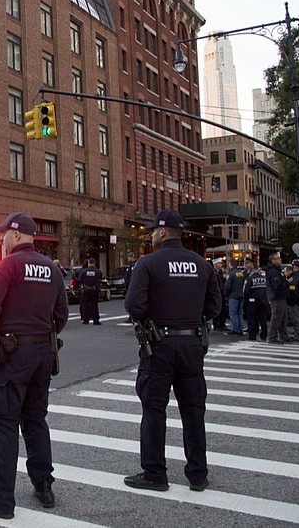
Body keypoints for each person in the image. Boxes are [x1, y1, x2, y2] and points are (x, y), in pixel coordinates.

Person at [0, 212, 69, 519]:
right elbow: (62, 315)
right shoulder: (51, 268)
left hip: (11, 356)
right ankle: (43, 485)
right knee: (36, 419)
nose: (1, 238)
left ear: (15, 235)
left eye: (4, 234)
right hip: (42, 355)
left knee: (2, 423)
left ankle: (1, 499)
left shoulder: (8, 265)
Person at [123, 210, 220, 493]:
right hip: (192, 344)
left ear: (163, 232)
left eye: (153, 230)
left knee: (154, 408)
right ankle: (198, 474)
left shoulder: (148, 264)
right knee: (193, 410)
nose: (151, 234)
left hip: (159, 345)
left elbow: (133, 305)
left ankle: (155, 472)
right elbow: (214, 306)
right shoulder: (202, 265)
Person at [265, 252, 289, 345]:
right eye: (278, 258)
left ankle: (283, 335)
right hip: (276, 298)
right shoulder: (273, 272)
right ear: (273, 260)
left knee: (283, 318)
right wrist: (287, 282)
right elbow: (277, 286)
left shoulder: (277, 271)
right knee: (276, 318)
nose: (280, 260)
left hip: (281, 297)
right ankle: (272, 337)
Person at [242, 257, 268, 341]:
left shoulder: (250, 278)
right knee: (263, 319)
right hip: (263, 301)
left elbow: (246, 291)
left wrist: (246, 299)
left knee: (252, 319)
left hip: (252, 301)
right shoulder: (264, 279)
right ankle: (264, 335)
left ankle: (252, 335)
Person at [223, 259, 246, 336]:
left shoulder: (231, 274)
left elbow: (228, 286)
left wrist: (226, 295)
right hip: (240, 295)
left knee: (233, 313)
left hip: (233, 296)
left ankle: (236, 329)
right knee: (240, 313)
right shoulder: (240, 273)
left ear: (230, 265)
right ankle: (240, 328)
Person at [78, 258, 103, 325]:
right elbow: (100, 278)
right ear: (94, 263)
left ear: (88, 263)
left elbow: (80, 280)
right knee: (95, 305)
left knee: (85, 305)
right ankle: (96, 320)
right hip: (94, 289)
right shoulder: (98, 271)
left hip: (86, 289)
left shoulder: (84, 271)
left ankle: (86, 320)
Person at [287, 260, 299, 342]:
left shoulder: (295, 277)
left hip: (296, 301)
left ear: (295, 267)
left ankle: (298, 335)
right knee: (298, 318)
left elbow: (293, 289)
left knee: (297, 319)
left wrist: (291, 300)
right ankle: (297, 333)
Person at [212, 258, 228, 331]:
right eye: (220, 263)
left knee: (223, 309)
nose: (221, 265)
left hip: (222, 293)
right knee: (217, 309)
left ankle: (222, 324)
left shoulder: (221, 273)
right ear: (215, 264)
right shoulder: (213, 273)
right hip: (216, 293)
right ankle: (216, 324)